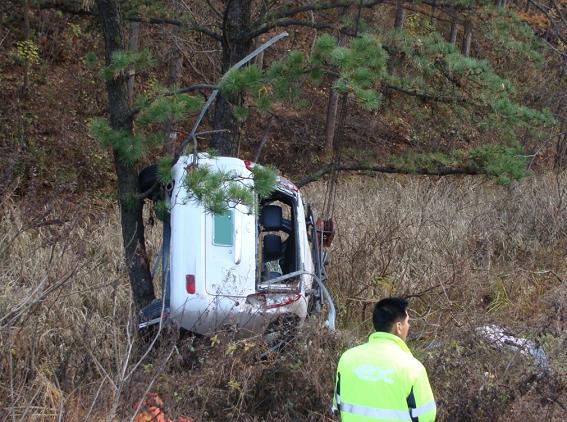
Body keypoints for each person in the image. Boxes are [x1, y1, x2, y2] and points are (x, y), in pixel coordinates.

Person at [333, 297, 436, 421]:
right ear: (398, 327)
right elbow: (426, 417)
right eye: (407, 322)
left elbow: (337, 405)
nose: (408, 326)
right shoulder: (412, 368)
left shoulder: (347, 359)